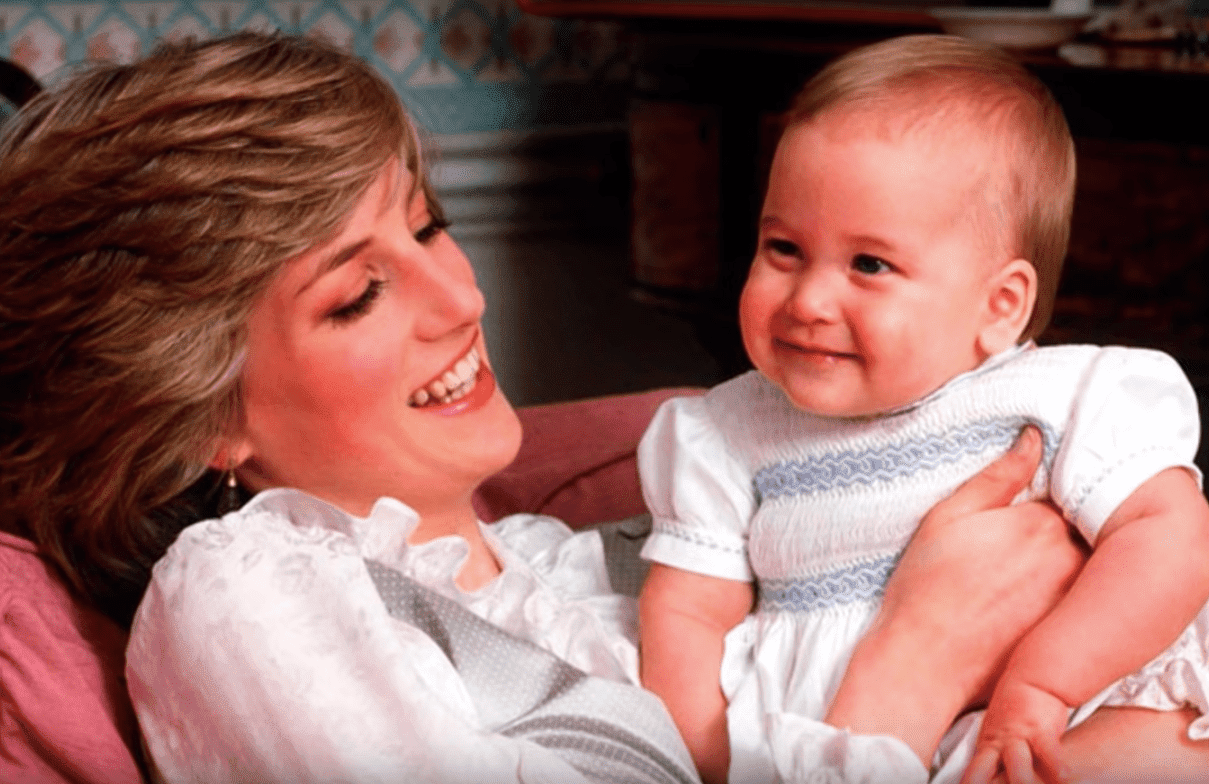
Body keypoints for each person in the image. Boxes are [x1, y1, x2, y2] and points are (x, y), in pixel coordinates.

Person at [0, 31, 1086, 783]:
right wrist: (919, 656)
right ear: (198, 414)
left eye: (427, 228)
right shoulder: (246, 594)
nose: (463, 298)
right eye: (358, 294)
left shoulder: (573, 561)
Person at [638, 34, 1209, 784]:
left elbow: (1170, 536)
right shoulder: (722, 433)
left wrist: (1044, 682)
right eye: (782, 248)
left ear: (998, 307)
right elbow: (683, 617)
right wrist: (708, 763)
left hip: (1061, 706)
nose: (808, 300)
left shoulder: (1059, 399)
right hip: (837, 726)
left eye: (868, 264)